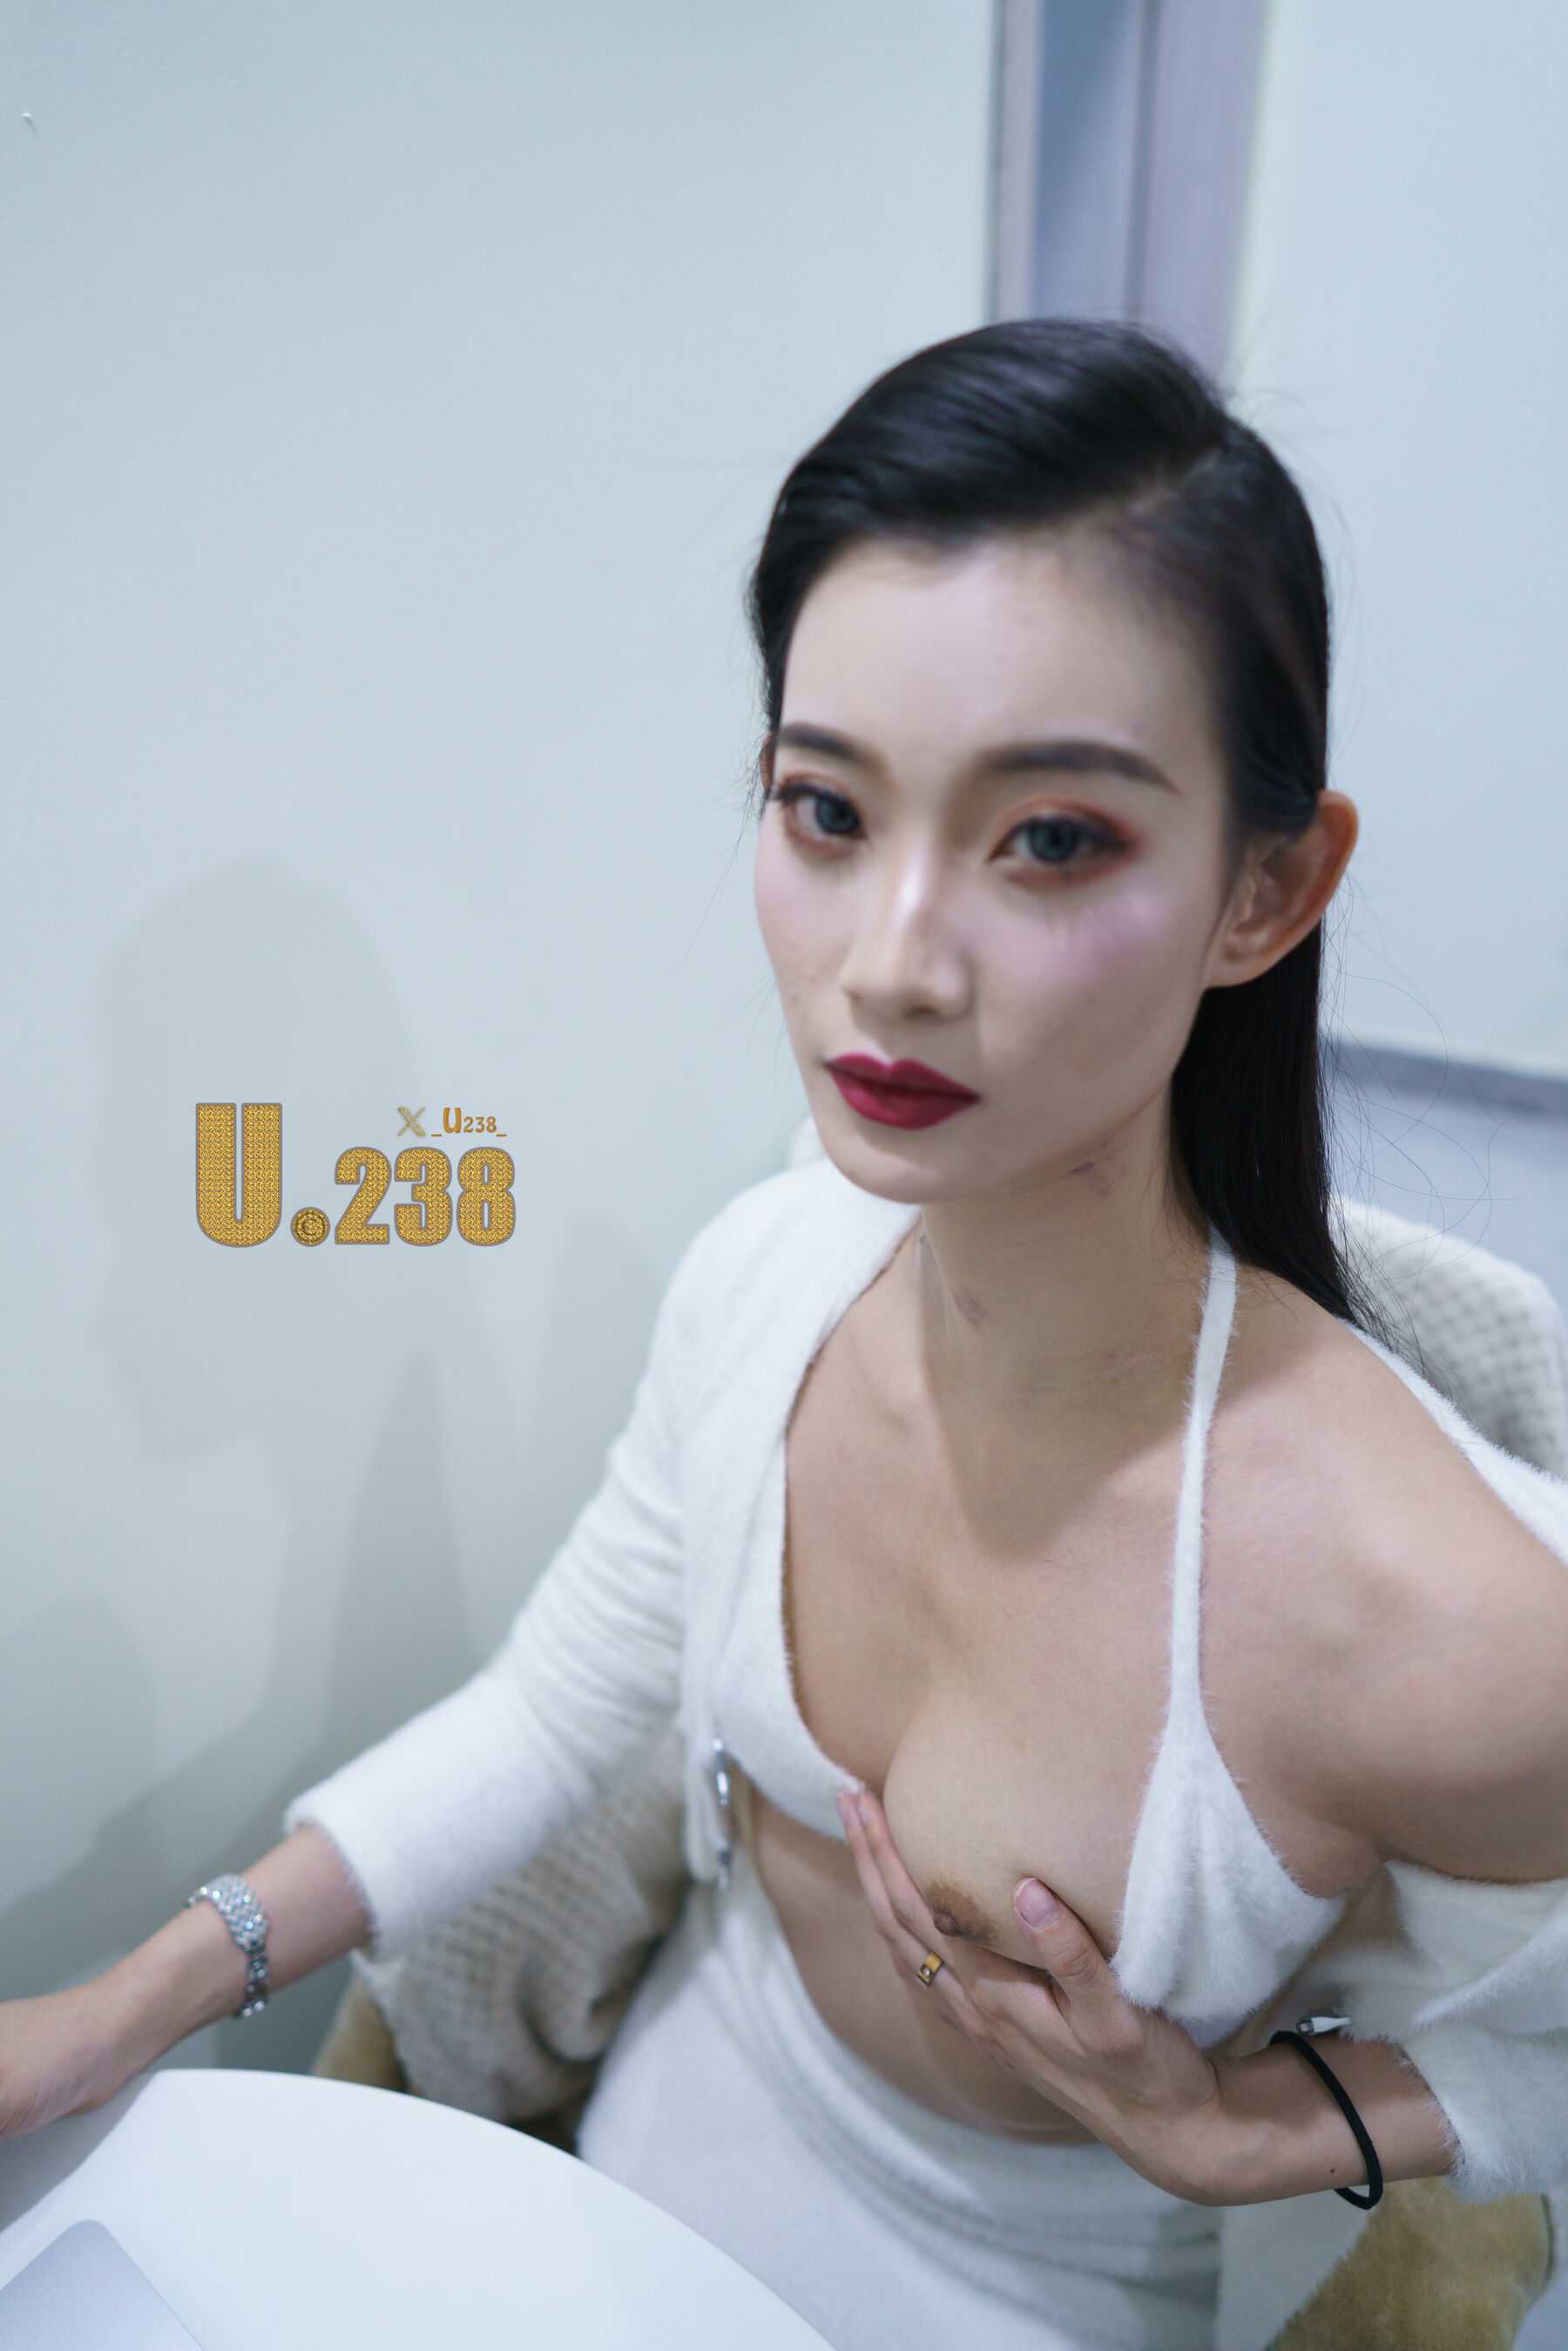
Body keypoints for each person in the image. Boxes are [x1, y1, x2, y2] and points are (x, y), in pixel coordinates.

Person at [5, 319, 1567, 2351]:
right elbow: (556, 1705)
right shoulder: (770, 1271)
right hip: (646, 2138)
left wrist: (1257, 2132)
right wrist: (124, 2002)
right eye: (827, 808)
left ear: (1267, 892)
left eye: (1052, 836)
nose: (893, 963)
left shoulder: (1424, 1598)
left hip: (1038, 2290)